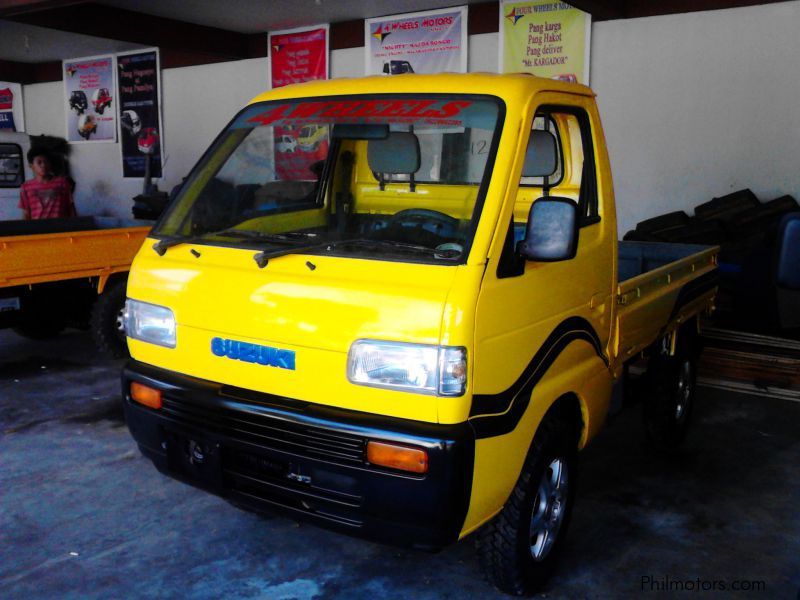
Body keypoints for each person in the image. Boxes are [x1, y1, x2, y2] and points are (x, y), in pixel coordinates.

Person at [18, 148, 76, 220]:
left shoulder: (62, 183)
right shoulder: (26, 187)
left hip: (59, 228)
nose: (43, 165)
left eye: (46, 162)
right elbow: (26, 213)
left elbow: (70, 208)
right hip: (38, 229)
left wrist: (74, 227)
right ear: (32, 166)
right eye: (39, 162)